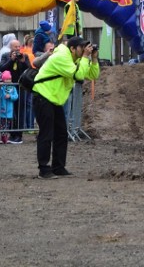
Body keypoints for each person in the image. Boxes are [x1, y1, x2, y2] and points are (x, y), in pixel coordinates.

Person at [32, 36, 99, 179]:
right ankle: (44, 170)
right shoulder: (62, 57)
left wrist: (93, 59)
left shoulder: (73, 58)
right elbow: (79, 75)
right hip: (43, 96)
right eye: (82, 48)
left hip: (54, 99)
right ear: (73, 48)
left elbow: (93, 75)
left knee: (61, 134)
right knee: (46, 134)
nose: (84, 50)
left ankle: (58, 167)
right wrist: (86, 57)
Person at [0, 39, 28, 144]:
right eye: (15, 47)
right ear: (11, 48)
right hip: (9, 88)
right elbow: (2, 68)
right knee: (9, 111)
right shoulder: (5, 56)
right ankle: (11, 133)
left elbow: (28, 69)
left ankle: (18, 135)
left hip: (20, 88)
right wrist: (11, 60)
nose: (17, 49)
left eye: (18, 46)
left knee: (20, 111)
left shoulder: (24, 56)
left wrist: (23, 61)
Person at [0, 71, 18, 144]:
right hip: (2, 109)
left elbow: (16, 96)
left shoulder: (13, 88)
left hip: (9, 110)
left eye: (10, 79)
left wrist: (10, 96)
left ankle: (5, 137)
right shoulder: (2, 87)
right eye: (7, 79)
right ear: (3, 80)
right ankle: (3, 137)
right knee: (2, 124)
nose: (8, 81)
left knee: (7, 125)